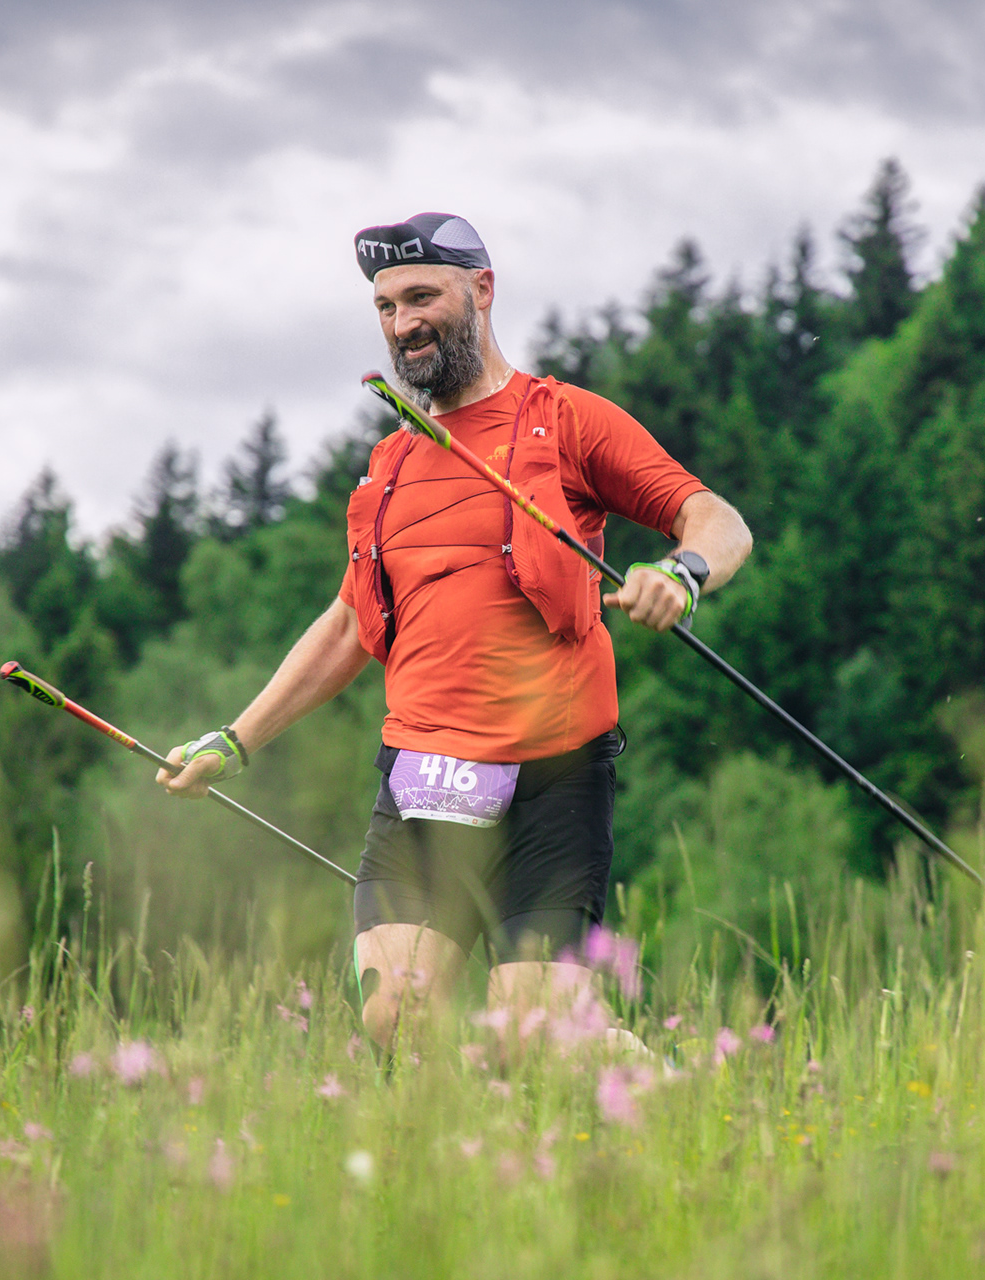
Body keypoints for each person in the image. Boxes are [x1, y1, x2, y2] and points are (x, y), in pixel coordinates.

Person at [157, 212, 751, 1050]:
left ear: (482, 289)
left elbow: (717, 520)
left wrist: (681, 576)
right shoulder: (392, 464)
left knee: (538, 1039)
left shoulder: (566, 420)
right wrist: (234, 741)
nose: (403, 322)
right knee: (393, 1018)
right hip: (422, 782)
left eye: (422, 297)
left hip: (553, 784)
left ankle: (660, 1095)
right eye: (386, 306)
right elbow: (348, 624)